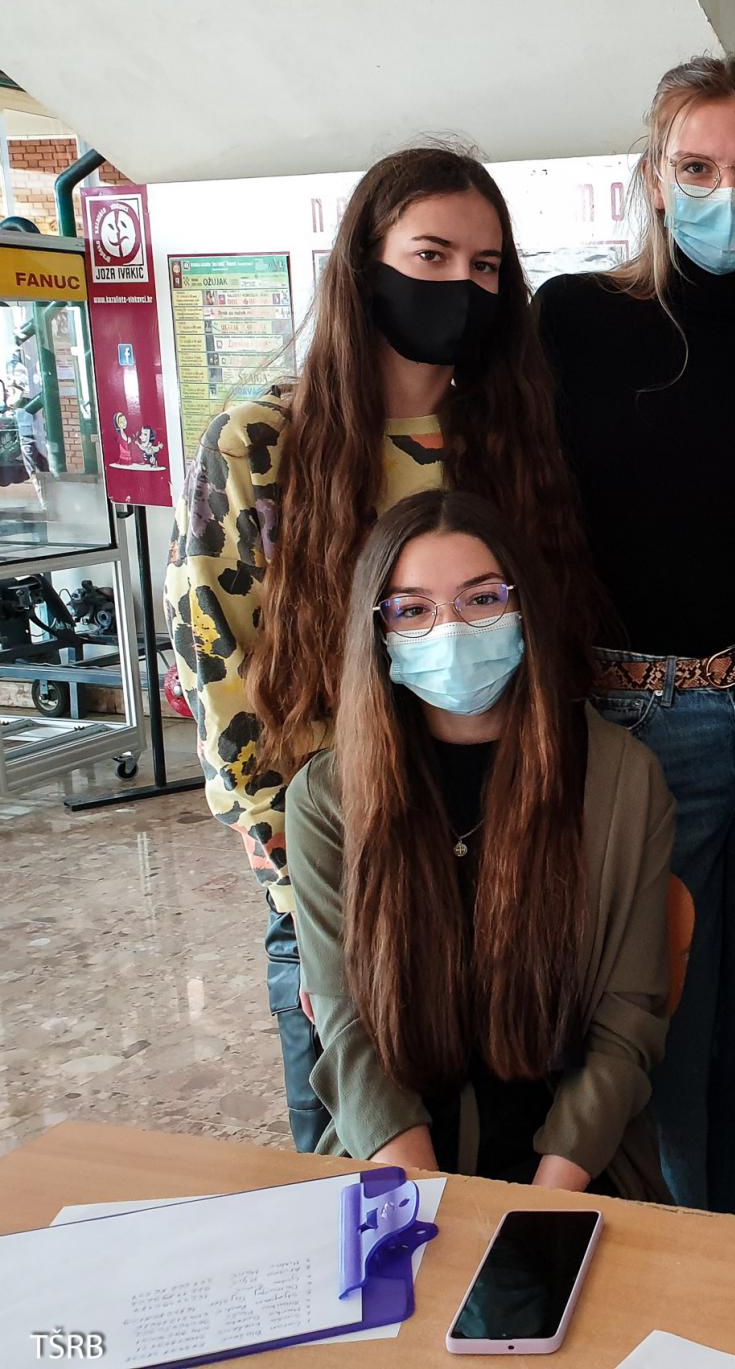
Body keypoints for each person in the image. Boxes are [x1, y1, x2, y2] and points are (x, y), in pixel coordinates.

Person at [165, 146, 590, 1153]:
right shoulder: (260, 444)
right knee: (360, 1185)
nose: (460, 286)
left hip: (504, 883)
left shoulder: (509, 443)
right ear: (364, 263)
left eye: (486, 267)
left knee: (515, 1168)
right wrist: (302, 883)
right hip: (343, 885)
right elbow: (219, 675)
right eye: (431, 255)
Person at [535, 55, 735, 1220]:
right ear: (652, 180)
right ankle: (685, 1283)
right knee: (662, 1038)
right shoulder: (572, 321)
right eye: (697, 168)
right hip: (639, 722)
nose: (725, 193)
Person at [287, 491, 673, 1197]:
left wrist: (539, 1209)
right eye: (413, 610)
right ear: (378, 629)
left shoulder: (622, 779)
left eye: (481, 599)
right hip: (392, 1164)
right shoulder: (324, 798)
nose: (452, 632)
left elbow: (626, 1028)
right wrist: (426, 1205)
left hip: (572, 1168)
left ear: (524, 607)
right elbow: (346, 1030)